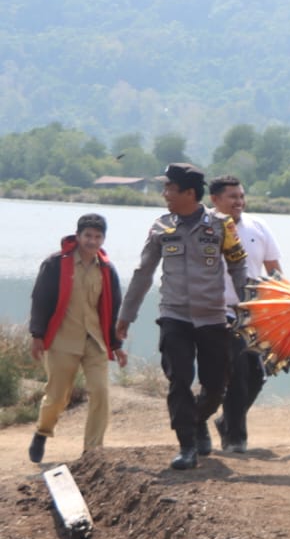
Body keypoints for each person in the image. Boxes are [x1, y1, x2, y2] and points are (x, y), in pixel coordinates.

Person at [117, 162, 249, 470]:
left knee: (216, 386)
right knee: (179, 379)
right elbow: (143, 272)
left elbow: (238, 266)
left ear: (189, 193)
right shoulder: (160, 227)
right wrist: (126, 315)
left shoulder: (221, 225)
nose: (165, 194)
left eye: (170, 188)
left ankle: (198, 419)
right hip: (174, 316)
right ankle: (187, 445)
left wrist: (247, 307)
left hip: (212, 317)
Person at [26, 214, 128, 463]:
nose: (92, 241)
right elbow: (40, 300)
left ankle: (92, 452)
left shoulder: (106, 269)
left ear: (103, 239)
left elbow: (113, 308)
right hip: (62, 340)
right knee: (57, 396)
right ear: (78, 236)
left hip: (95, 341)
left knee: (100, 392)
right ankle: (42, 432)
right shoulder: (56, 264)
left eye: (98, 236)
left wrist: (116, 345)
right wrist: (37, 335)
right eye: (88, 236)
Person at [209, 176, 282, 453]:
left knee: (257, 376)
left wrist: (286, 302)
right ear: (215, 200)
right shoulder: (204, 229)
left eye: (241, 196)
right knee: (238, 373)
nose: (239, 202)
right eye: (232, 197)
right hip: (220, 313)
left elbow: (273, 269)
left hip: (254, 313)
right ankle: (235, 439)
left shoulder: (258, 226)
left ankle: (226, 421)